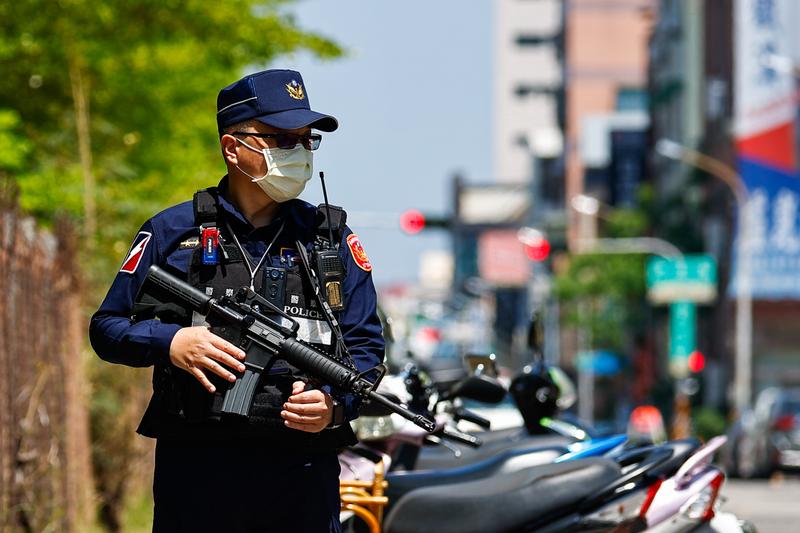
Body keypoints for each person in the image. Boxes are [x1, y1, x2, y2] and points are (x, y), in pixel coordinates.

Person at [90, 69, 384, 532]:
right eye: (282, 138)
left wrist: (334, 403)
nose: (299, 152)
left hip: (302, 473)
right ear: (233, 148)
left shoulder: (330, 239)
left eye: (307, 140)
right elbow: (107, 328)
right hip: (200, 469)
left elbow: (366, 348)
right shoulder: (172, 231)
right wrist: (171, 342)